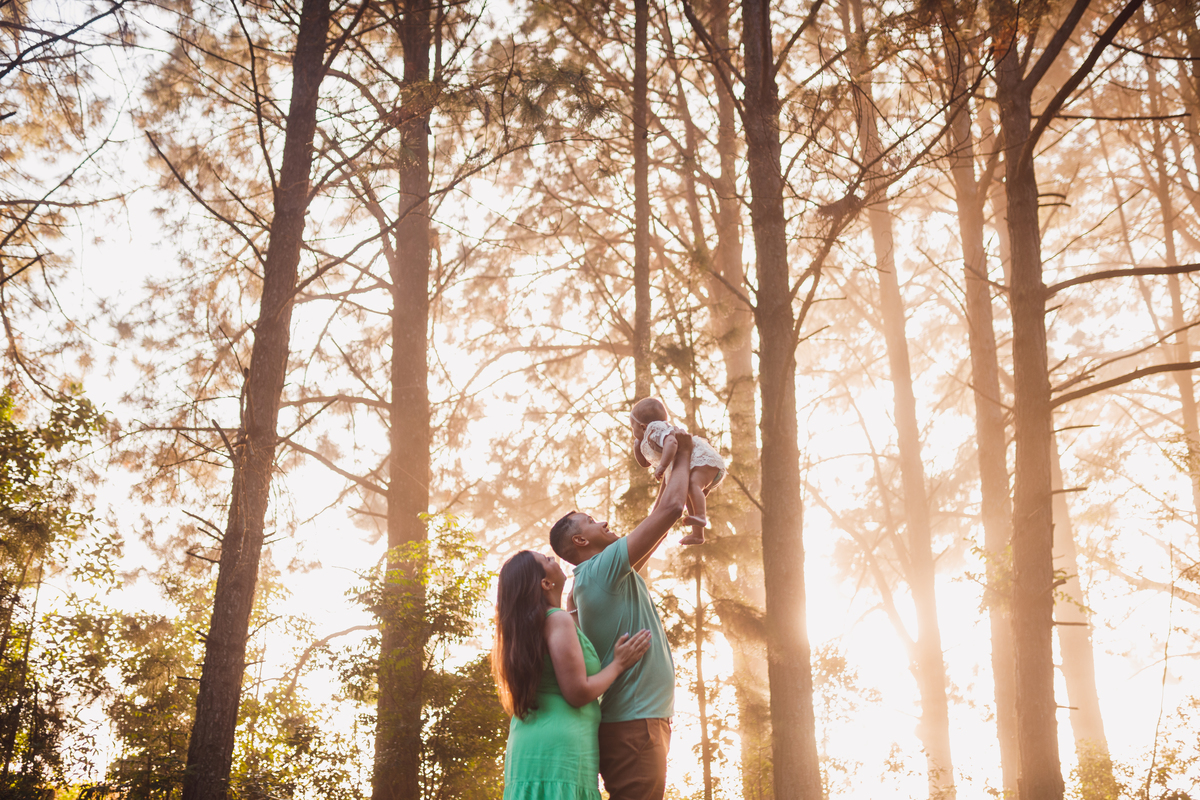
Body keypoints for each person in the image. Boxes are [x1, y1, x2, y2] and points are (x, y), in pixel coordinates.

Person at [548, 433, 694, 800]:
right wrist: (686, 453)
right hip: (636, 727)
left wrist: (669, 465)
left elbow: (657, 526)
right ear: (580, 542)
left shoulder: (599, 576)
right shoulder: (600, 570)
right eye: (592, 521)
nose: (604, 522)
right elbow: (672, 510)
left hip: (638, 724)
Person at [493, 550, 653, 800]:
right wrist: (619, 664)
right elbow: (578, 692)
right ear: (545, 583)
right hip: (561, 749)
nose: (553, 558)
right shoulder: (555, 620)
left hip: (528, 745)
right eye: (546, 560)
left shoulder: (532, 626)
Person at [629, 397, 726, 545]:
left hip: (703, 461)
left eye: (632, 428)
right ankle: (697, 534)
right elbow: (644, 463)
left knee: (692, 485)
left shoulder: (655, 429)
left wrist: (662, 465)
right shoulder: (650, 437)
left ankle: (700, 516)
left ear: (643, 427)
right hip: (699, 466)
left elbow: (672, 443)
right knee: (687, 493)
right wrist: (637, 446)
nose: (632, 432)